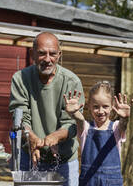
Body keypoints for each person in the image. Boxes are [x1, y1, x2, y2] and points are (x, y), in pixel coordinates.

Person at [9, 32, 85, 186]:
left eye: (53, 54)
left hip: (63, 160)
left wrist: (55, 137)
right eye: (42, 53)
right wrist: (32, 140)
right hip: (30, 156)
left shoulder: (71, 82)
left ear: (59, 55)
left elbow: (71, 124)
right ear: (32, 53)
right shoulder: (20, 79)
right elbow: (20, 117)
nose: (48, 59)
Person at [64, 81, 132, 186]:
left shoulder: (116, 128)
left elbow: (123, 125)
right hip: (88, 181)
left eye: (105, 106)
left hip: (112, 181)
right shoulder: (85, 128)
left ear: (112, 106)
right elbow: (80, 120)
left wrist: (125, 118)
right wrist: (74, 113)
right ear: (89, 106)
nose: (100, 111)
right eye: (96, 107)